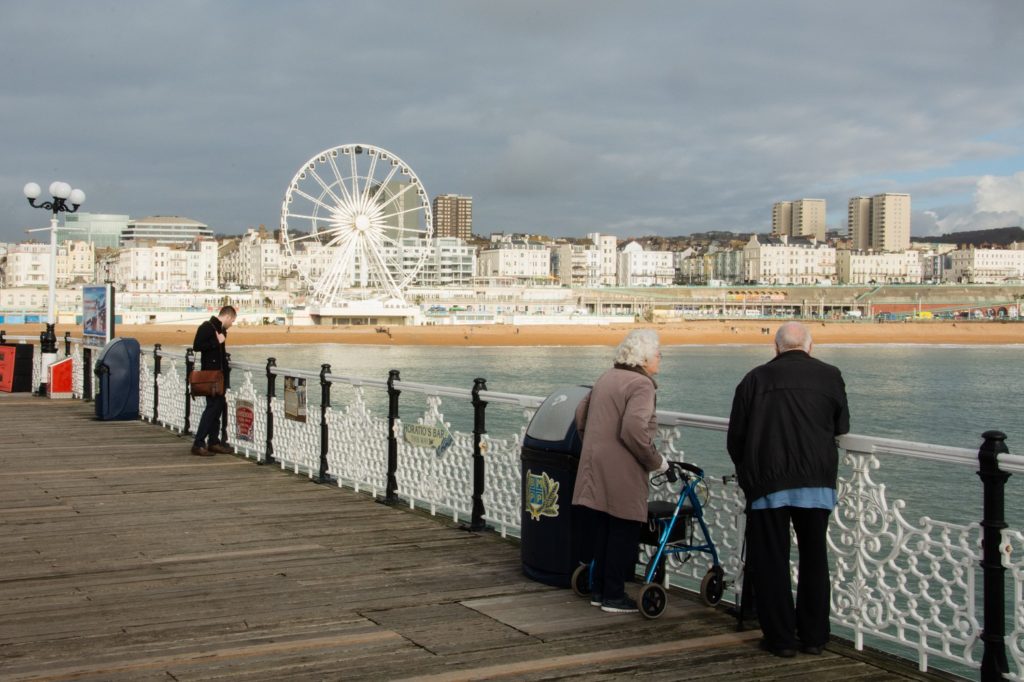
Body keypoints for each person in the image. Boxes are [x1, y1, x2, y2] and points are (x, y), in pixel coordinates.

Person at [726, 321, 850, 658]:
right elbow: (842, 425)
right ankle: (814, 636)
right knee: (814, 558)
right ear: (810, 346)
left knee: (772, 561)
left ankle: (781, 639)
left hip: (768, 484)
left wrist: (748, 475)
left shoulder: (754, 379)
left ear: (776, 347)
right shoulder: (830, 375)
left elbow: (736, 438)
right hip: (816, 482)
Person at [573, 329, 669, 614]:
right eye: (657, 354)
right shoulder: (642, 385)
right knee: (624, 528)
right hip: (623, 466)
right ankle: (613, 595)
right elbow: (633, 429)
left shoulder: (607, 377)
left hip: (596, 462)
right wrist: (656, 461)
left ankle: (599, 590)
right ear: (644, 359)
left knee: (604, 525)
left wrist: (592, 443)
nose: (660, 358)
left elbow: (581, 414)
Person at [190, 305, 237, 456]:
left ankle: (213, 442)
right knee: (212, 408)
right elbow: (197, 346)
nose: (232, 324)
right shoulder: (207, 326)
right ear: (228, 316)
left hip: (219, 376)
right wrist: (216, 342)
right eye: (232, 321)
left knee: (217, 408)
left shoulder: (222, 330)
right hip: (210, 376)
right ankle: (198, 443)